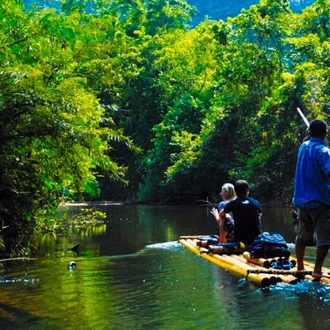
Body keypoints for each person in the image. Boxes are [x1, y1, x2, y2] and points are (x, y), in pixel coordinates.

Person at [292, 119, 330, 279]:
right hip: (320, 201)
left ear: (309, 133)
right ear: (325, 134)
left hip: (301, 201)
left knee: (302, 236)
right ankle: (317, 270)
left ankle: (300, 267)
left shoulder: (303, 147)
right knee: (325, 239)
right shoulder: (324, 152)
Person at [220, 180, 262, 245]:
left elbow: (221, 214)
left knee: (226, 216)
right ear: (247, 191)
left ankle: (221, 242)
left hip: (239, 238)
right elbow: (260, 214)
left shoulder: (233, 203)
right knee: (257, 217)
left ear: (235, 192)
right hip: (255, 238)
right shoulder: (255, 202)